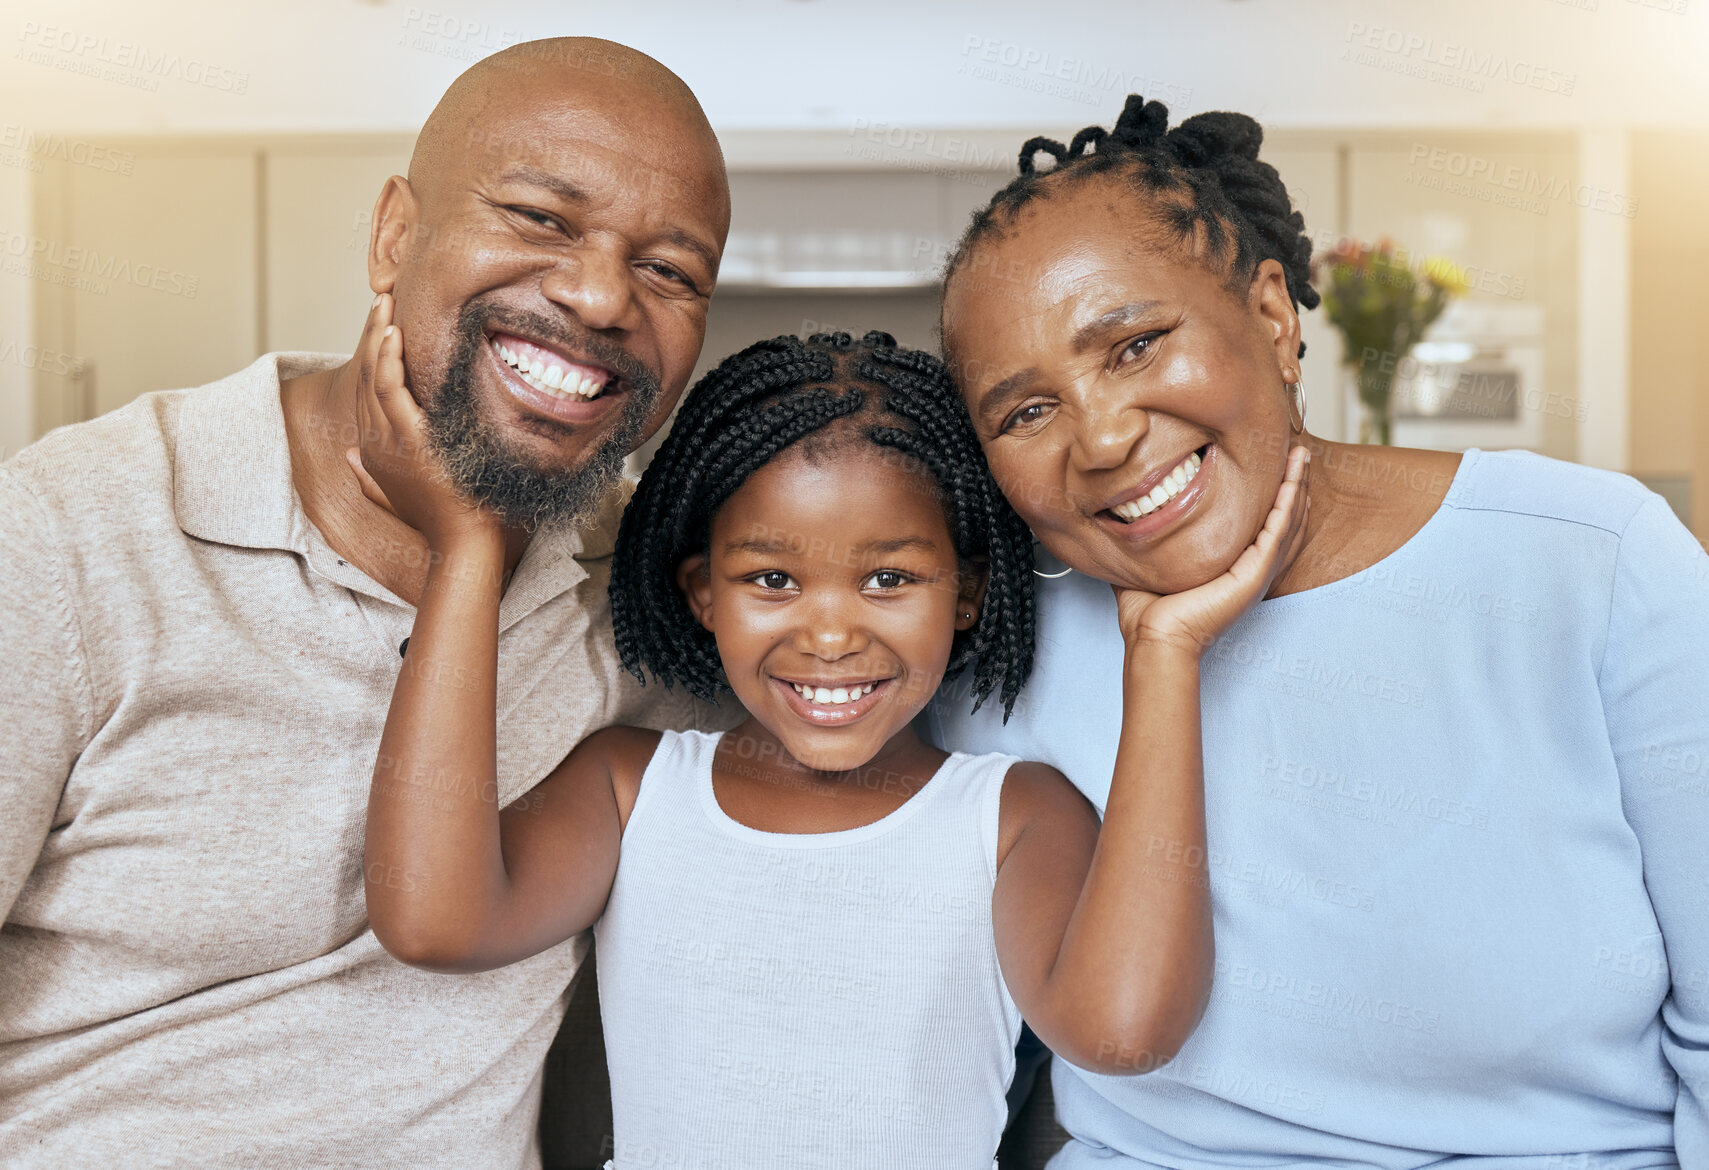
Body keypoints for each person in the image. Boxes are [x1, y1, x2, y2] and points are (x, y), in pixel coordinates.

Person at [930, 94, 1709, 1166]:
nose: (1101, 439)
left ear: (1270, 313)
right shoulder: (991, 650)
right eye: (1024, 411)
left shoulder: (1592, 561)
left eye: (1135, 345)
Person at [0, 39, 733, 1168]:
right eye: (542, 218)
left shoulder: (664, 591)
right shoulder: (61, 536)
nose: (599, 295)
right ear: (396, 235)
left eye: (670, 272)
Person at [353, 327, 1308, 1167]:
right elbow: (436, 922)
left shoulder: (1012, 815)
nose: (830, 634)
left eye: (888, 577)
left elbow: (1125, 1033)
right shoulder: (629, 789)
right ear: (701, 594)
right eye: (772, 578)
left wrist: (1166, 655)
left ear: (966, 594)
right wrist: (469, 550)